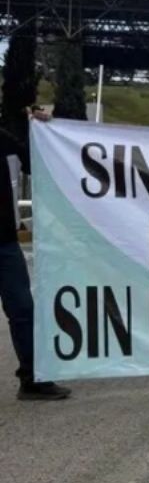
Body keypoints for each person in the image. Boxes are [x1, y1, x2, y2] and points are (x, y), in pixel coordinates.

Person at [2, 107, 71, 400]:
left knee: (22, 310)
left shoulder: (3, 139)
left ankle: (32, 379)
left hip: (4, 242)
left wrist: (44, 131)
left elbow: (39, 162)